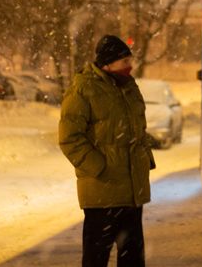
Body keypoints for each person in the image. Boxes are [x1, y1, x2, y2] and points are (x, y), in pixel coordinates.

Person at [59, 35, 155, 267]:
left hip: (132, 191)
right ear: (108, 63)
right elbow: (69, 138)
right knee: (96, 258)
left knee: (132, 259)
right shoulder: (83, 89)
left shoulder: (129, 87)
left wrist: (144, 159)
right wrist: (99, 167)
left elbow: (139, 131)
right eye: (124, 62)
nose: (129, 66)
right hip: (102, 193)